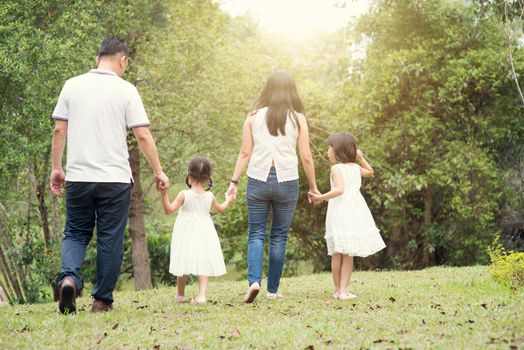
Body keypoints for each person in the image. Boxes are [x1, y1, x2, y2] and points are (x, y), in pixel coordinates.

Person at [50, 37, 169, 314]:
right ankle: (102, 301)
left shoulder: (72, 85)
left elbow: (59, 130)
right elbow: (142, 134)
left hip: (79, 177)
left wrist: (57, 168)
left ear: (97, 59)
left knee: (76, 233)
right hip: (115, 179)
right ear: (122, 60)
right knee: (110, 238)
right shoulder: (127, 90)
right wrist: (158, 170)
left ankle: (69, 278)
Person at [227, 71, 319, 303]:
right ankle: (273, 290)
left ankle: (254, 282)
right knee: (279, 236)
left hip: (258, 179)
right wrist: (314, 187)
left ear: (267, 89)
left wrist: (233, 182)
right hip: (287, 181)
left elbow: (245, 152)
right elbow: (306, 156)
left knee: (256, 233)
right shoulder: (298, 118)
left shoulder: (252, 117)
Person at [309, 132, 386, 299]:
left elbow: (339, 190)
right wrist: (360, 158)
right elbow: (370, 171)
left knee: (338, 252)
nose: (327, 152)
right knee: (347, 252)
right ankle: (342, 290)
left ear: (338, 150)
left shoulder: (336, 168)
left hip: (341, 211)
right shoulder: (355, 167)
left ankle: (339, 290)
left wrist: (321, 197)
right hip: (353, 211)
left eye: (329, 148)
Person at [161, 157, 232, 304]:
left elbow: (169, 210)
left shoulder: (184, 194)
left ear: (189, 175)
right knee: (203, 261)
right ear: (208, 178)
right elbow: (220, 209)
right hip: (205, 232)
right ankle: (202, 295)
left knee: (183, 260)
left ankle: (180, 295)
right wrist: (228, 199)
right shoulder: (209, 196)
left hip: (185, 233)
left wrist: (164, 193)